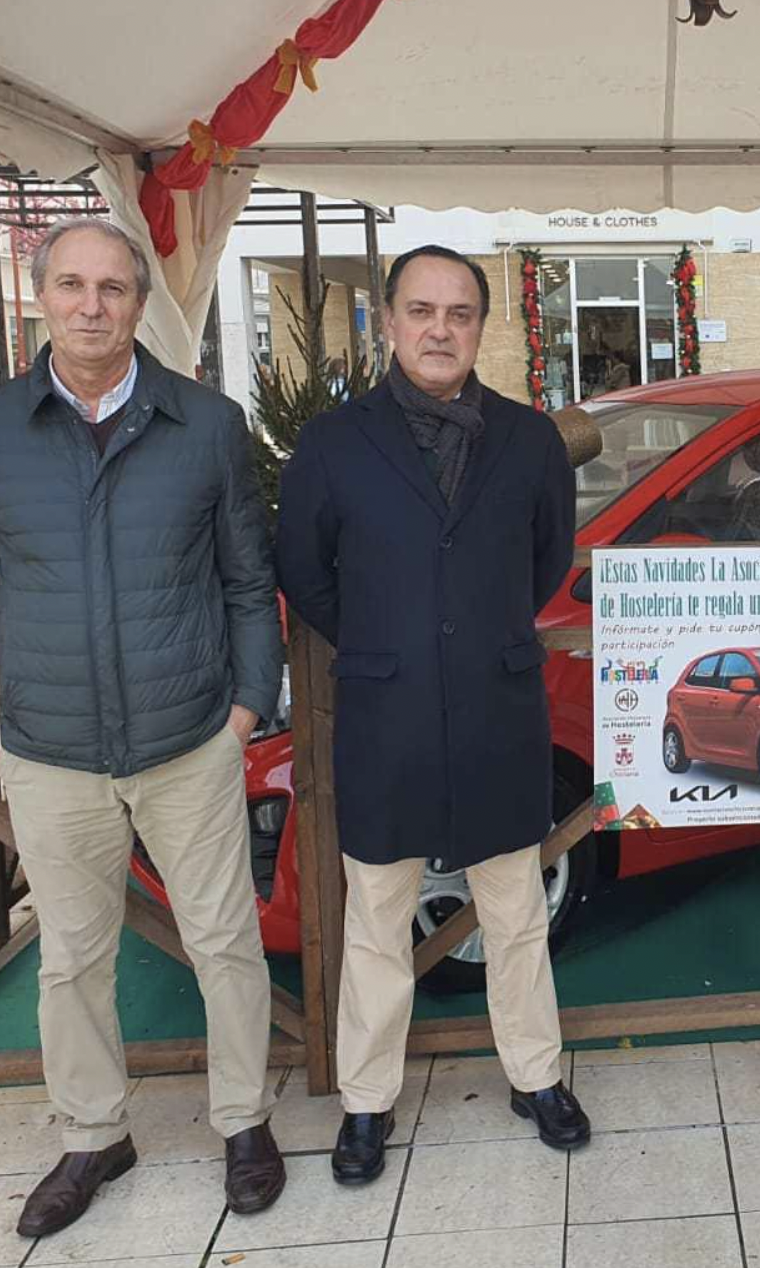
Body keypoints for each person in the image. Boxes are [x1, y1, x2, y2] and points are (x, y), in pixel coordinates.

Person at [0, 217, 286, 1235]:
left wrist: (246, 708)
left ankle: (244, 1120)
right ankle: (92, 1135)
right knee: (73, 956)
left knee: (223, 940)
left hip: (187, 739)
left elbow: (250, 583)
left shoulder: (207, 424)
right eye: (73, 285)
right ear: (42, 295)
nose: (93, 305)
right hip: (51, 748)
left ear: (137, 301)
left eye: (114, 288)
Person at [275, 245, 589, 1185]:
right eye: (421, 310)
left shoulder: (530, 440)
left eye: (459, 313)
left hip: (499, 706)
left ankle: (536, 1076)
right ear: (389, 322)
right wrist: (384, 637)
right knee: (377, 915)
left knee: (517, 909)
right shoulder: (333, 443)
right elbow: (304, 570)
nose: (440, 328)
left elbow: (546, 563)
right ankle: (367, 1103)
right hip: (386, 710)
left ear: (482, 327)